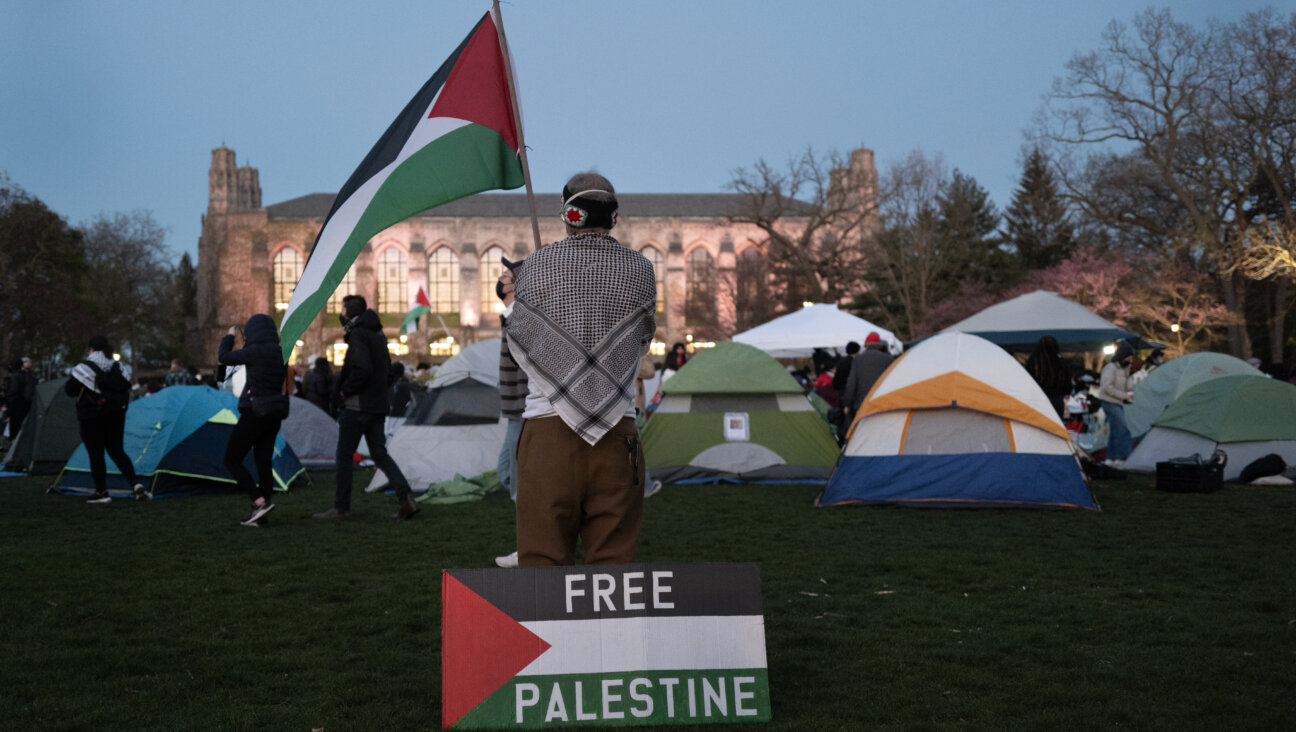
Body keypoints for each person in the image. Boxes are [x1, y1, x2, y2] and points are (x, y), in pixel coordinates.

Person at [504, 171, 657, 567]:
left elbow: (518, 336)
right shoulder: (641, 270)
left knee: (541, 564)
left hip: (545, 432)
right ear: (613, 217)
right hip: (618, 433)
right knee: (613, 568)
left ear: (568, 214)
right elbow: (641, 340)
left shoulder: (535, 267)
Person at [314, 295, 419, 521]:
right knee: (379, 454)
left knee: (344, 455)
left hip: (357, 406)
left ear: (349, 313)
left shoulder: (359, 334)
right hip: (377, 405)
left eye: (343, 311)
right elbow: (388, 371)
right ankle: (406, 498)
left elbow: (363, 368)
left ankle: (341, 507)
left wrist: (345, 390)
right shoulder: (378, 334)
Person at [217, 314, 288, 527]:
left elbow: (224, 357)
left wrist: (229, 336)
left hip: (255, 411)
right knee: (263, 461)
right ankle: (261, 514)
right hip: (275, 412)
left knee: (232, 459)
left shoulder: (255, 351)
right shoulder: (281, 352)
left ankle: (259, 502)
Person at [65, 336, 146, 503]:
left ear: (91, 349)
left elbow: (71, 390)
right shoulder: (119, 367)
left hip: (91, 415)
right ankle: (135, 483)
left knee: (96, 453)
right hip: (116, 413)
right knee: (117, 451)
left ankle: (101, 492)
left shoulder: (83, 368)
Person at [839, 332, 894, 437]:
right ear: (879, 344)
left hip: (862, 404)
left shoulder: (857, 360)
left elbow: (851, 384)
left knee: (865, 436)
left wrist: (847, 404)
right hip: (883, 403)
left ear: (866, 345)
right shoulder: (889, 359)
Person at [1098, 341, 1135, 467]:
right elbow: (1106, 387)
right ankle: (1120, 457)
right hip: (1109, 402)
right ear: (1122, 355)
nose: (1130, 359)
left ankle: (1111, 459)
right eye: (1129, 356)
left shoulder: (1125, 369)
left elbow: (1125, 385)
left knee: (1115, 430)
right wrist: (1124, 395)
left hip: (1118, 402)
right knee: (1122, 428)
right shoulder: (1111, 368)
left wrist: (1129, 392)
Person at [1024, 335, 1071, 419]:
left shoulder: (1033, 362)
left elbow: (1027, 382)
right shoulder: (1061, 363)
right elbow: (1068, 387)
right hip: (1057, 400)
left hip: (1038, 400)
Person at [3, 357, 35, 440]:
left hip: (16, 403)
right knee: (17, 424)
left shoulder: (15, 375)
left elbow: (13, 390)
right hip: (23, 403)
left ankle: (12, 440)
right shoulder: (26, 375)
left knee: (14, 424)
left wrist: (7, 399)